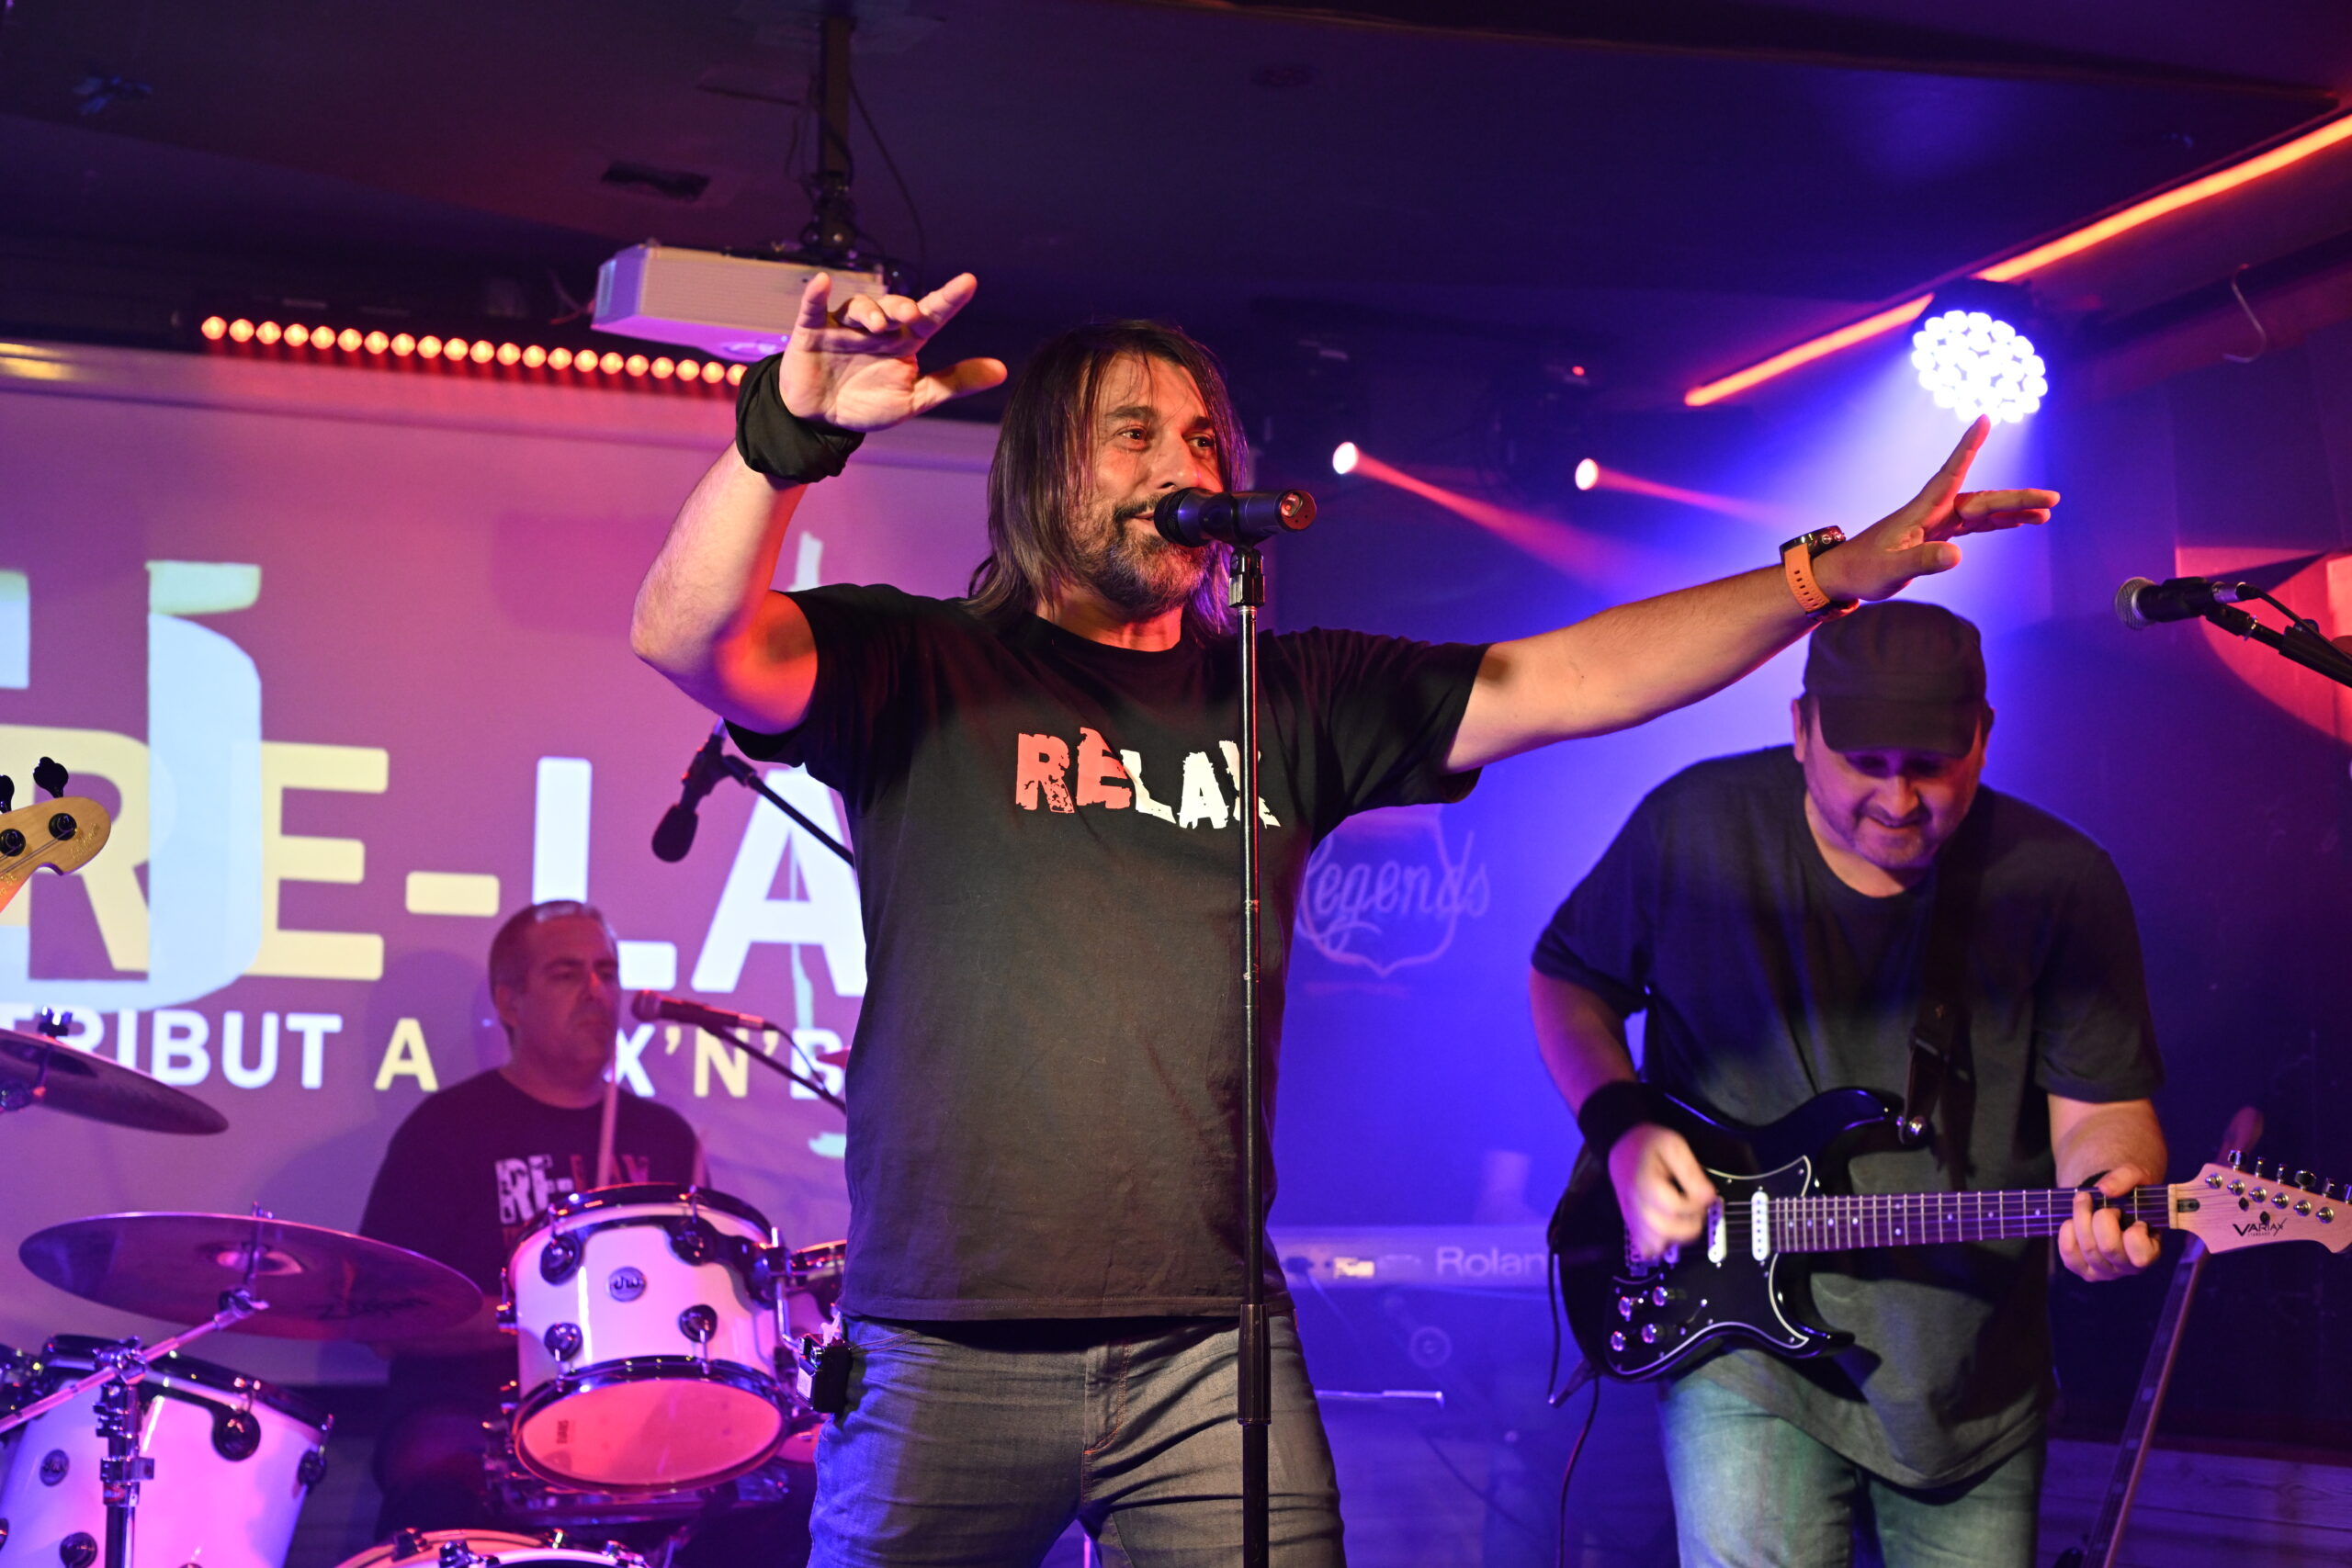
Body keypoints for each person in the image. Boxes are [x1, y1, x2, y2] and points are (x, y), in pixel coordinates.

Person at [627, 267, 2056, 1566]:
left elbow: (1568, 678)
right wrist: (785, 435)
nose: (1184, 464)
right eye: (1135, 434)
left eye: (1204, 438)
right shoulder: (923, 664)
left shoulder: (1287, 693)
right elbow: (684, 633)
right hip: (946, 1342)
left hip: (1209, 1347)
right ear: (1046, 468)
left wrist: (1821, 578)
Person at [1529, 601, 2166, 1568]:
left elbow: (2104, 1111)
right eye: (1865, 763)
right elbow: (1566, 978)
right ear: (1801, 728)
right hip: (1739, 1351)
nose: (1899, 799)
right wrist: (1622, 1128)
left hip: (1968, 1375)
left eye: (1929, 765)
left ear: (1984, 736)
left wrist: (2111, 1189)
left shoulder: (2060, 881)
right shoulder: (1695, 828)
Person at [358, 899, 701, 1536]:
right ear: (510, 1003)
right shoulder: (446, 1129)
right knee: (438, 1485)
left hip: (634, 1406)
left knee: (774, 1492)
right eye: (567, 974)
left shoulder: (666, 1137)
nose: (597, 991)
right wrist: (546, 1320)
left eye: (606, 972)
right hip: (474, 1410)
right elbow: (382, 1317)